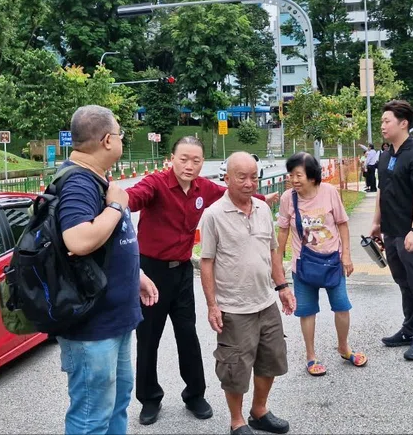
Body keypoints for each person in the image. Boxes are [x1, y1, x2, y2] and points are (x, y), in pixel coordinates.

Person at [126, 136, 278, 426]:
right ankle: (149, 398)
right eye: (183, 158)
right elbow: (133, 197)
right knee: (148, 338)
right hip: (151, 273)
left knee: (188, 335)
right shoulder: (156, 183)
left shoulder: (201, 187)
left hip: (182, 271)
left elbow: (228, 193)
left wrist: (261, 199)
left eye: (196, 160)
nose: (190, 165)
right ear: (171, 158)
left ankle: (194, 393)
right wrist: (112, 198)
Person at [56, 104, 159, 435]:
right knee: (91, 415)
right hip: (92, 327)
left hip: (114, 319)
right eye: (120, 134)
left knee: (116, 402)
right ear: (106, 140)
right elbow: (78, 239)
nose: (122, 139)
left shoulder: (96, 179)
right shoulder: (78, 183)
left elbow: (110, 244)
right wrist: (116, 205)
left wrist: (136, 275)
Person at [200, 152, 295, 435]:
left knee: (271, 360)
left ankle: (259, 411)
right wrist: (212, 305)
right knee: (235, 369)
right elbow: (207, 262)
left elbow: (273, 252)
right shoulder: (213, 215)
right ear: (226, 178)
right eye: (241, 177)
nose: (249, 183)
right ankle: (236, 421)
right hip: (234, 307)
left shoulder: (263, 209)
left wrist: (282, 287)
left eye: (254, 176)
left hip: (265, 302)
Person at [276, 152, 365, 377]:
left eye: (299, 175)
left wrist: (346, 256)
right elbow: (283, 230)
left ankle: (344, 348)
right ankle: (311, 355)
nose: (294, 180)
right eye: (292, 175)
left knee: (342, 307)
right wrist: (277, 260)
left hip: (332, 261)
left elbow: (343, 224)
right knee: (307, 312)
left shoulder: (329, 192)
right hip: (303, 264)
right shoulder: (289, 198)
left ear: (313, 177)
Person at [371, 100, 413, 362]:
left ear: (403, 123)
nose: (383, 125)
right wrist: (376, 223)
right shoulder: (387, 155)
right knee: (403, 282)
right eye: (383, 121)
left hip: (411, 233)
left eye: (387, 121)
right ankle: (408, 330)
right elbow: (381, 192)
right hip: (391, 231)